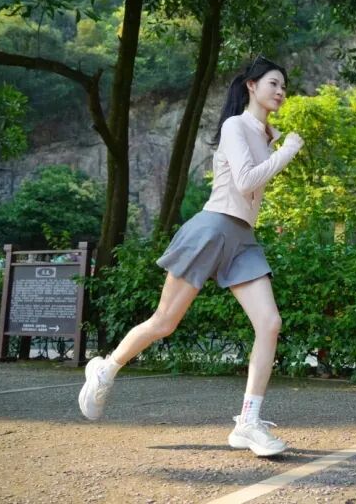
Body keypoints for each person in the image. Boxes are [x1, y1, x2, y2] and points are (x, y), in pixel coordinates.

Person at [78, 56, 303, 457]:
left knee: (269, 323)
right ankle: (106, 369)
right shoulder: (234, 126)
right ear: (251, 86)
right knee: (164, 322)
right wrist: (286, 151)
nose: (281, 91)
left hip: (243, 239)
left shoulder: (264, 134)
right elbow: (246, 180)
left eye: (284, 86)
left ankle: (248, 423)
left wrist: (277, 144)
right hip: (212, 228)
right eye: (274, 83)